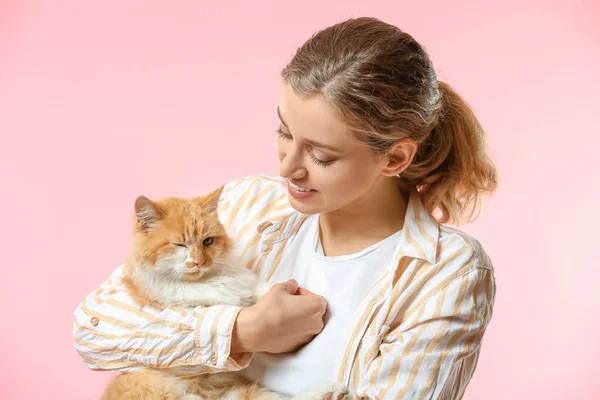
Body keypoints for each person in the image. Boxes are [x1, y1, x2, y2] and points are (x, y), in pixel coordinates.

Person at [73, 17, 498, 399]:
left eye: (322, 156)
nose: (287, 168)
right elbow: (95, 330)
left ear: (394, 158)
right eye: (283, 131)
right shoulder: (245, 205)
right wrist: (242, 332)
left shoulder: (448, 272)